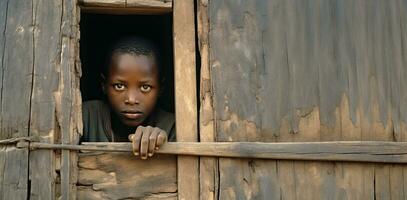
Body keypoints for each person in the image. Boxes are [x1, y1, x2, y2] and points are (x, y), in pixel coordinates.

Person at [81, 37, 175, 159]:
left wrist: (163, 144)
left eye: (145, 87)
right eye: (119, 86)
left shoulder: (172, 127)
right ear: (103, 85)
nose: (131, 99)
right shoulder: (86, 117)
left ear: (160, 89)